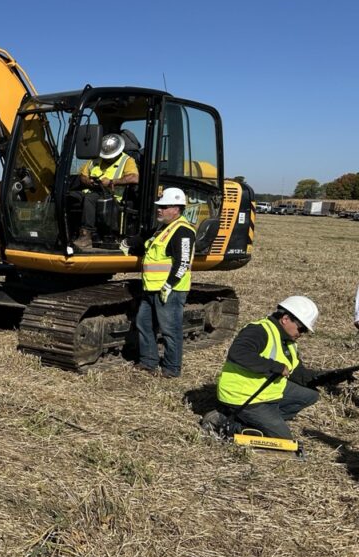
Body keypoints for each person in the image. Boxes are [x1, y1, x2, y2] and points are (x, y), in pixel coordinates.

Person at [205, 296, 322, 440]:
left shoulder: (288, 341)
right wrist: (276, 367)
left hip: (266, 391)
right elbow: (238, 353)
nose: (302, 333)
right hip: (244, 396)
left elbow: (298, 373)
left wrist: (326, 377)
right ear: (285, 319)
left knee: (310, 395)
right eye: (301, 328)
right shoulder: (259, 331)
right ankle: (224, 422)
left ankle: (257, 420)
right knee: (282, 440)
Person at [134, 187, 195, 378]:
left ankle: (171, 368)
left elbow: (183, 262)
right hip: (151, 288)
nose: (159, 209)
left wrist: (169, 284)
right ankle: (149, 361)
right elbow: (143, 241)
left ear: (176, 209)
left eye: (164, 206)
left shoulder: (183, 230)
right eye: (159, 206)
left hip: (170, 290)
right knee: (143, 323)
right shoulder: (163, 229)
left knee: (170, 330)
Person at [71, 131, 139, 249]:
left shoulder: (127, 160)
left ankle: (86, 236)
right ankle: (65, 233)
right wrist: (89, 181)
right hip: (92, 190)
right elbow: (82, 175)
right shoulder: (95, 159)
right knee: (69, 197)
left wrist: (112, 182)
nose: (107, 159)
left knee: (90, 199)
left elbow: (134, 178)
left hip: (111, 195)